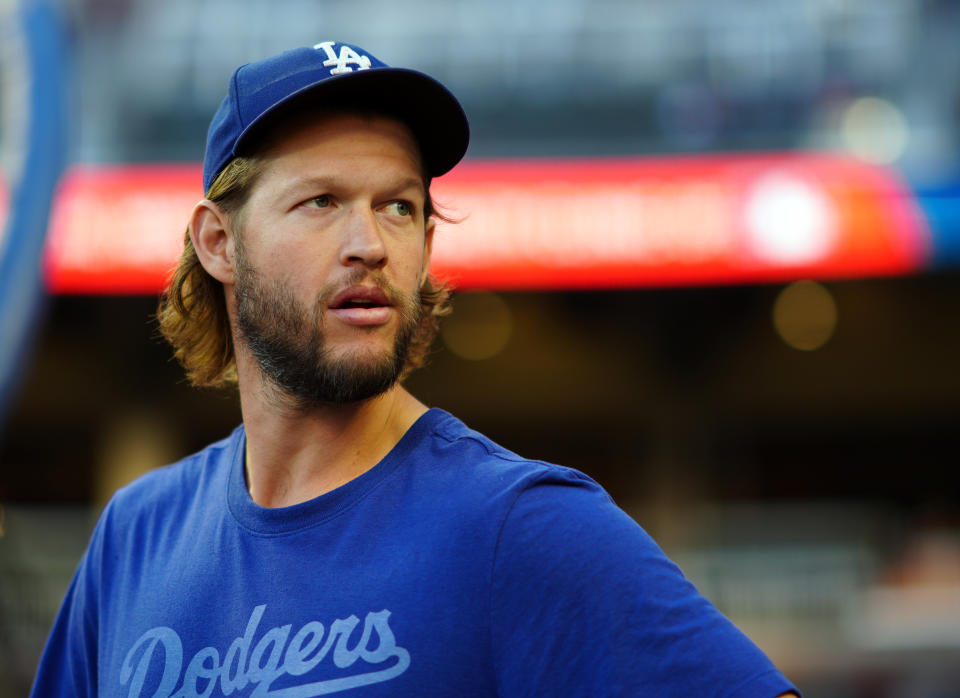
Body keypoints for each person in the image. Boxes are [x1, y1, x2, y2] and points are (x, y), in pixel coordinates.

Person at [31, 41, 799, 697]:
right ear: (218, 243)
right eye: (322, 202)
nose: (370, 243)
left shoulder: (523, 527)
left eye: (400, 206)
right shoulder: (135, 536)